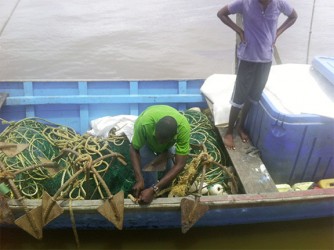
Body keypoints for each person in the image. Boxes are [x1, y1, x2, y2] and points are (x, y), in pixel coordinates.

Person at [217, 0, 297, 150]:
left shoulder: (279, 3)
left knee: (253, 96)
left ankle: (241, 126)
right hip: (248, 57)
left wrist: (277, 33)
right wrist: (239, 31)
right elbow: (221, 14)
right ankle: (229, 131)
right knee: (239, 97)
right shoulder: (244, 3)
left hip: (266, 58)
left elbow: (293, 16)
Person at [130, 105, 190, 204]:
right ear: (155, 129)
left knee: (170, 165)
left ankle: (163, 190)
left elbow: (180, 164)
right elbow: (134, 149)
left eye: (164, 140)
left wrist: (155, 189)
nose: (160, 142)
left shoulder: (183, 129)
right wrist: (139, 179)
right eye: (158, 138)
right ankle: (147, 189)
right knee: (147, 160)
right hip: (147, 141)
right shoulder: (144, 124)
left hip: (169, 145)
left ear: (175, 134)